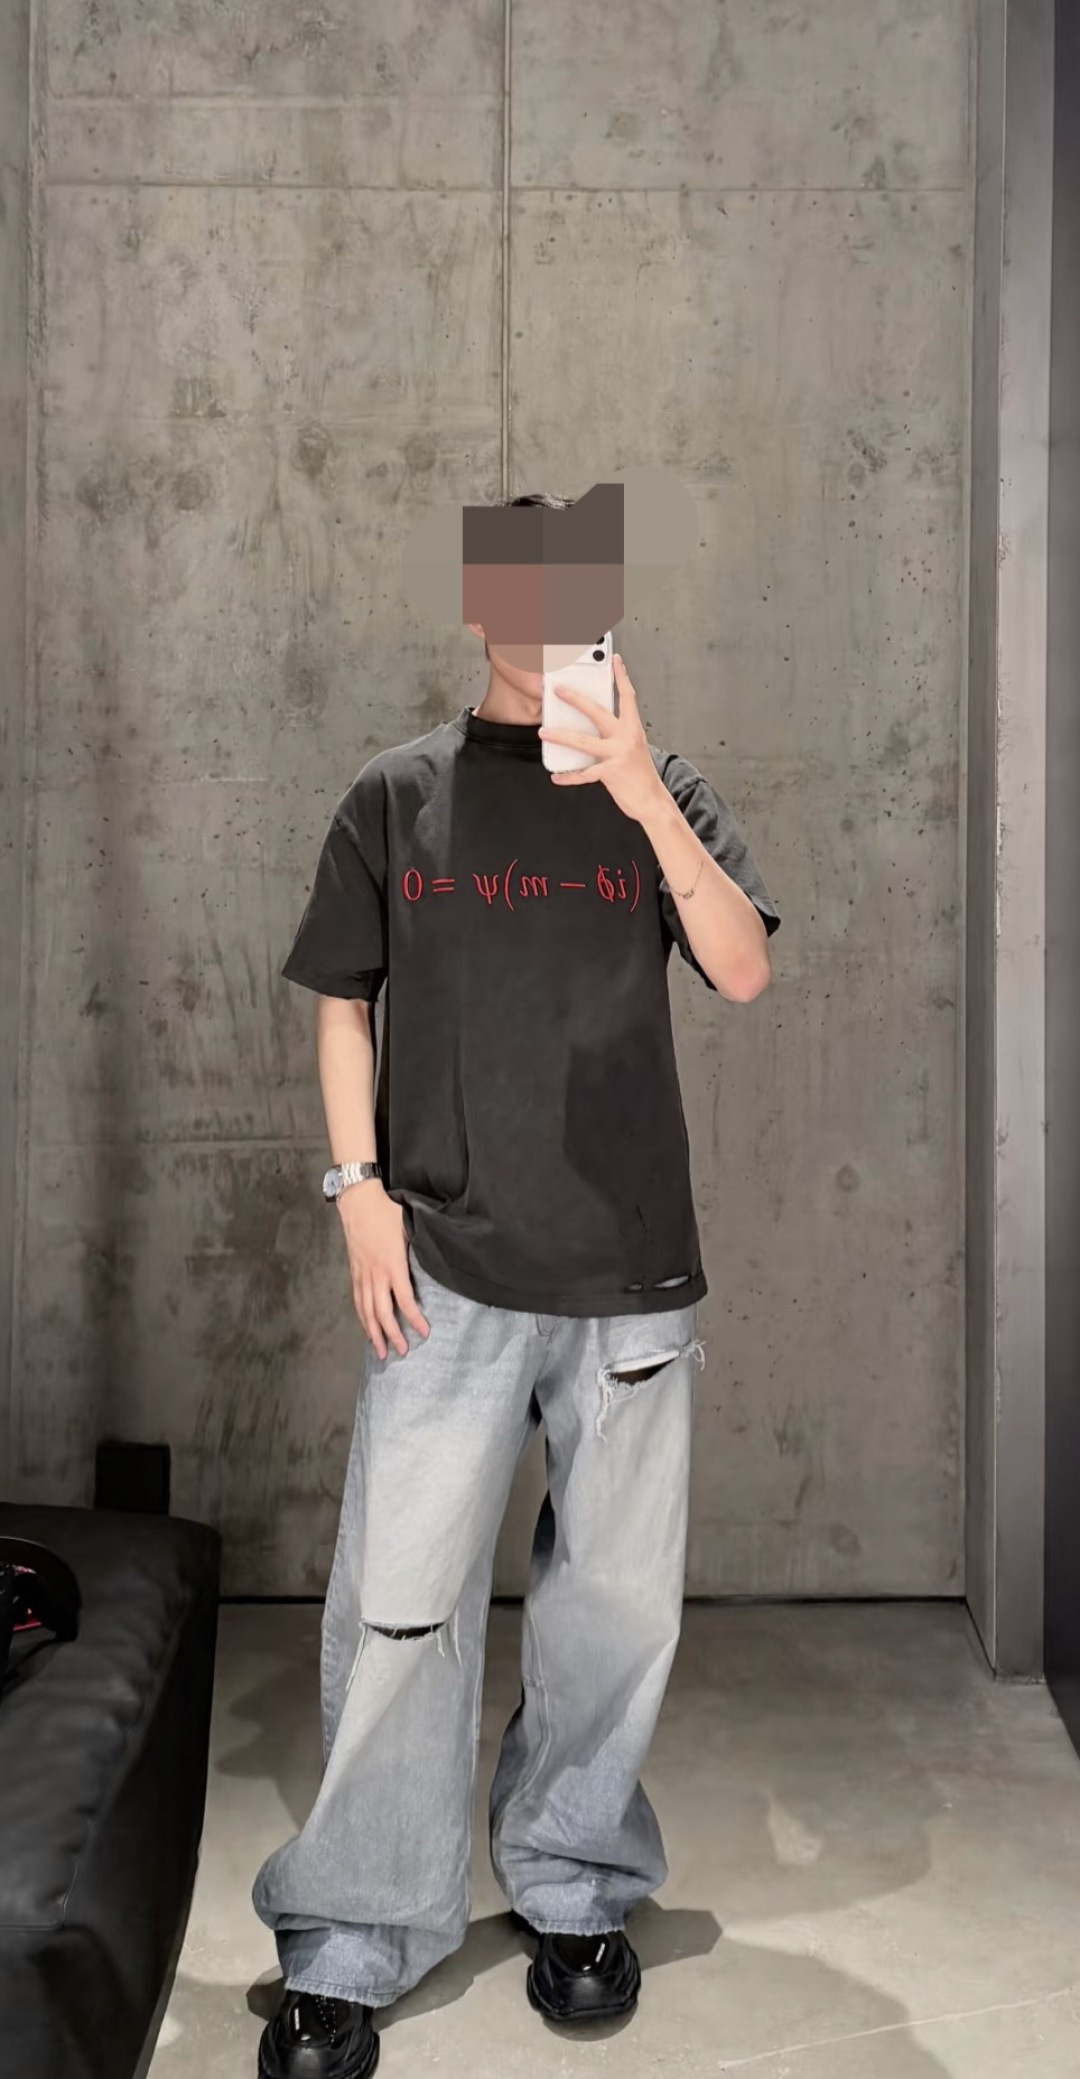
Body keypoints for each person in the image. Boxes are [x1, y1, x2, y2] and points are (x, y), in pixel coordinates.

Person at [252, 492, 781, 2079]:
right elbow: (342, 999)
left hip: (630, 1275)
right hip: (445, 1271)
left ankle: (575, 1884)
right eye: (523, 588)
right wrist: (356, 1195)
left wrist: (641, 787)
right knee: (400, 1614)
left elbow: (743, 964)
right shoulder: (396, 795)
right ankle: (354, 1933)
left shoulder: (657, 788)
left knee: (611, 1611)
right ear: (479, 604)